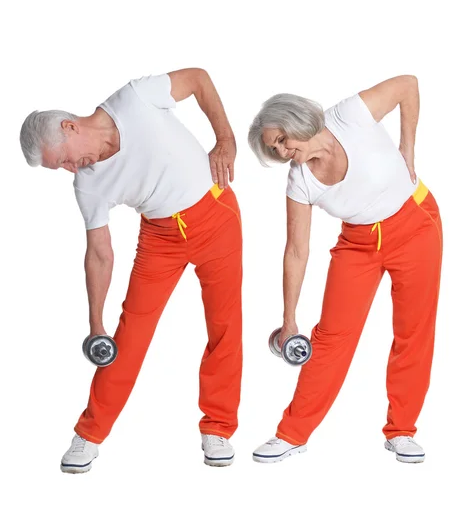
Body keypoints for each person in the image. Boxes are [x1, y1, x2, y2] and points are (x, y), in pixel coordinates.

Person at [20, 68, 242, 472]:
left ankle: (219, 429)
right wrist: (95, 324)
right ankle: (88, 436)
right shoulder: (87, 184)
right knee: (130, 335)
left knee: (224, 326)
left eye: (66, 159)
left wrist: (225, 140)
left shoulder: (135, 99)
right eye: (63, 169)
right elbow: (99, 253)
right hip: (159, 239)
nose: (73, 169)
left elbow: (198, 78)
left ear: (70, 126)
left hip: (216, 215)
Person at [248, 75, 442, 464]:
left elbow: (408, 84)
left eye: (283, 140)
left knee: (413, 330)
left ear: (297, 120)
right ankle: (292, 433)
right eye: (276, 149)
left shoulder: (349, 115)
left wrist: (408, 147)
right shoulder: (299, 180)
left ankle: (401, 430)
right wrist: (288, 320)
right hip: (358, 244)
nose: (284, 151)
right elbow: (296, 251)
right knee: (331, 337)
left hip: (415, 224)